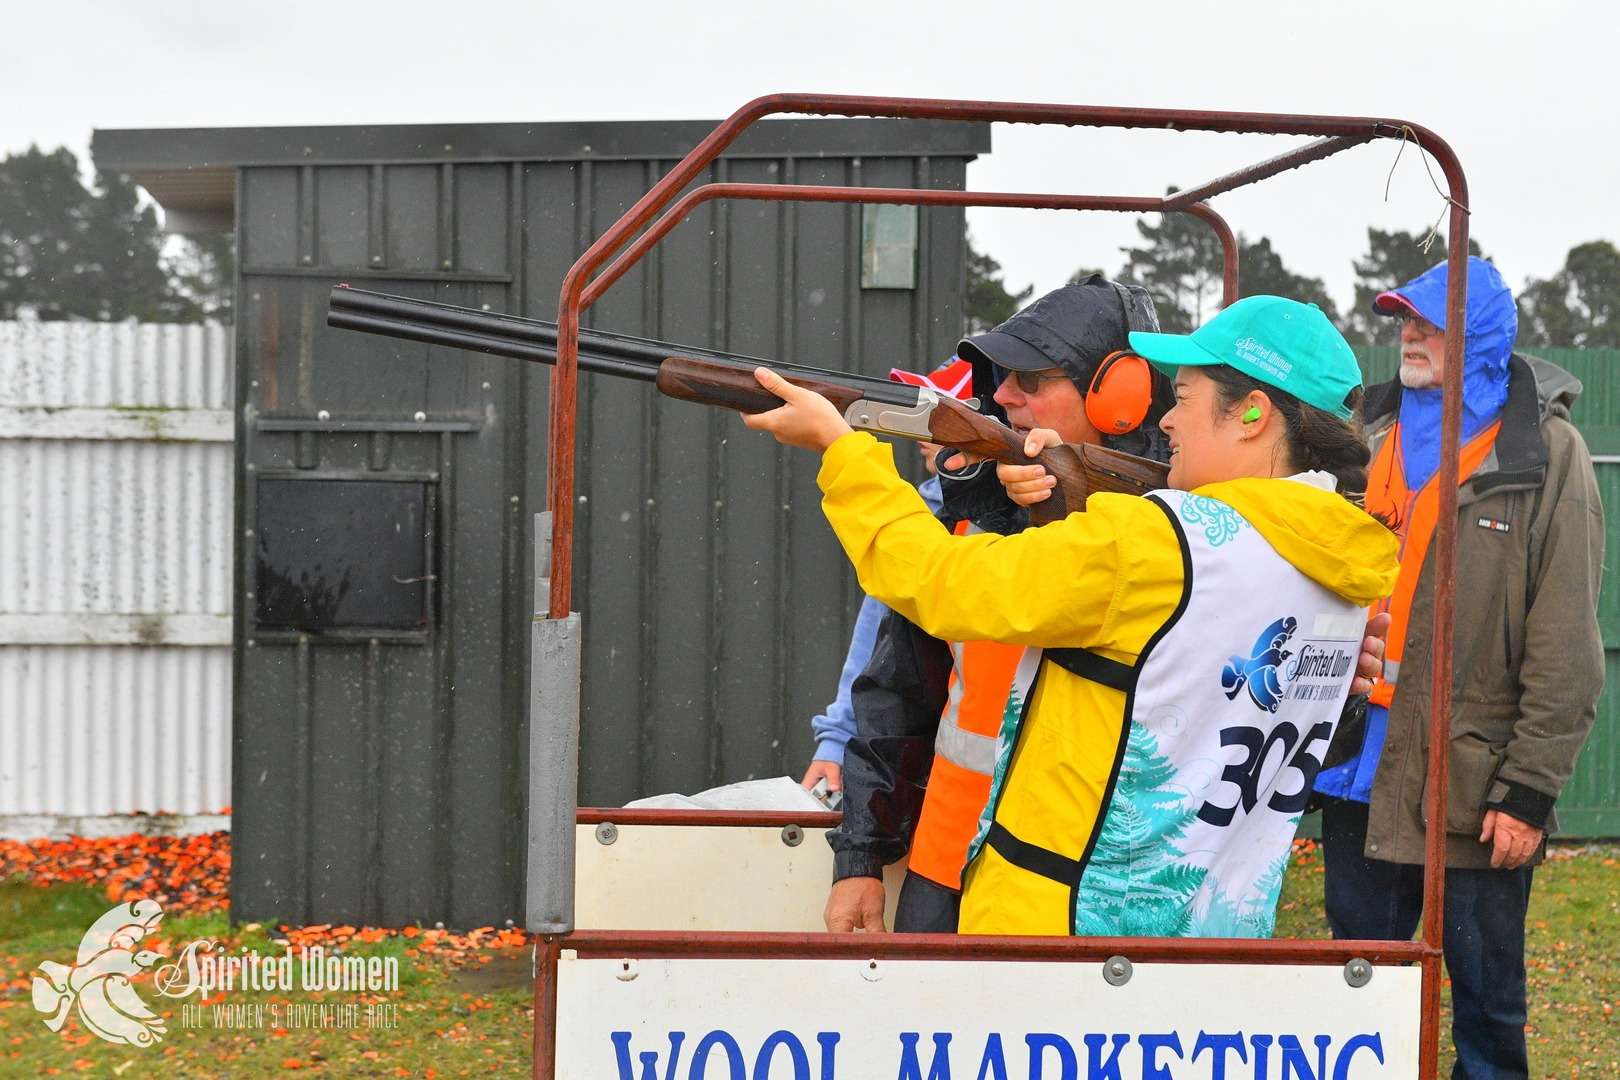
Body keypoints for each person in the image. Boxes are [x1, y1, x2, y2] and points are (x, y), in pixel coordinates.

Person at [746, 295, 1400, 937]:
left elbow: (938, 583)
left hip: (1057, 938)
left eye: (1185, 398)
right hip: (1212, 943)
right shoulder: (1338, 569)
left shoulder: (1154, 542)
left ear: (1252, 413)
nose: (1168, 421)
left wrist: (842, 450)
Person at [1312, 256, 1604, 1079]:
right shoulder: (1361, 435)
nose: (1410, 334)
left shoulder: (1547, 453)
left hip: (1470, 787)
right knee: (1357, 992)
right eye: (1404, 319)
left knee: (1485, 1009)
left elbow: (1566, 644)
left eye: (1430, 322)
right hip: (1358, 772)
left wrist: (1527, 792)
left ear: (1479, 336)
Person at [823, 276, 1172, 933]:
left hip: (1094, 892)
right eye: (1003, 378)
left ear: (1121, 397)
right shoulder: (974, 513)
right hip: (947, 865)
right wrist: (860, 858)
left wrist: (837, 450)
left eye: (1032, 379)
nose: (1004, 395)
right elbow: (897, 697)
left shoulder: (1177, 537)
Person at [801, 359, 976, 799]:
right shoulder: (926, 508)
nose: (922, 435)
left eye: (943, 414)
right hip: (922, 775)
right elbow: (876, 639)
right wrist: (837, 738)